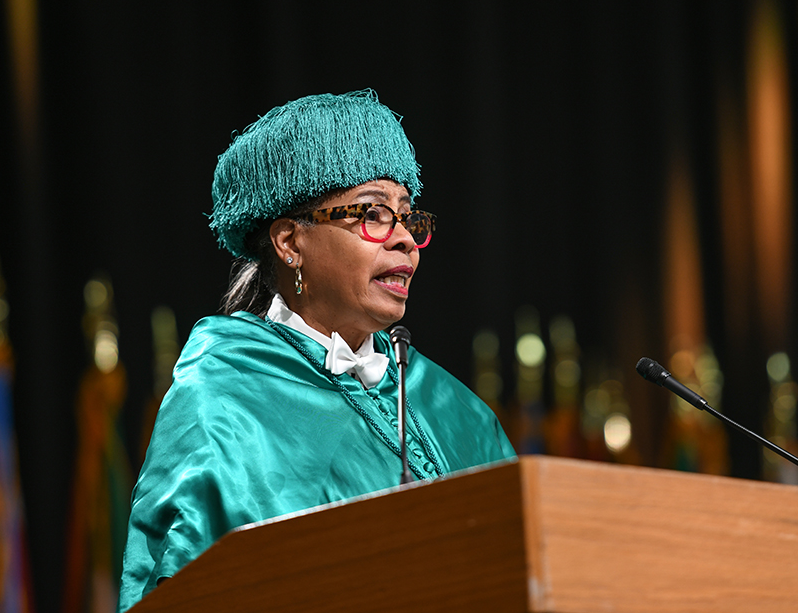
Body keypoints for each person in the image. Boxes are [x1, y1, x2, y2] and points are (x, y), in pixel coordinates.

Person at [117, 90, 516, 611]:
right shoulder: (226, 393)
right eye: (374, 213)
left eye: (406, 217)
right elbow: (185, 583)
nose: (403, 239)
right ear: (290, 242)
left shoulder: (452, 407)